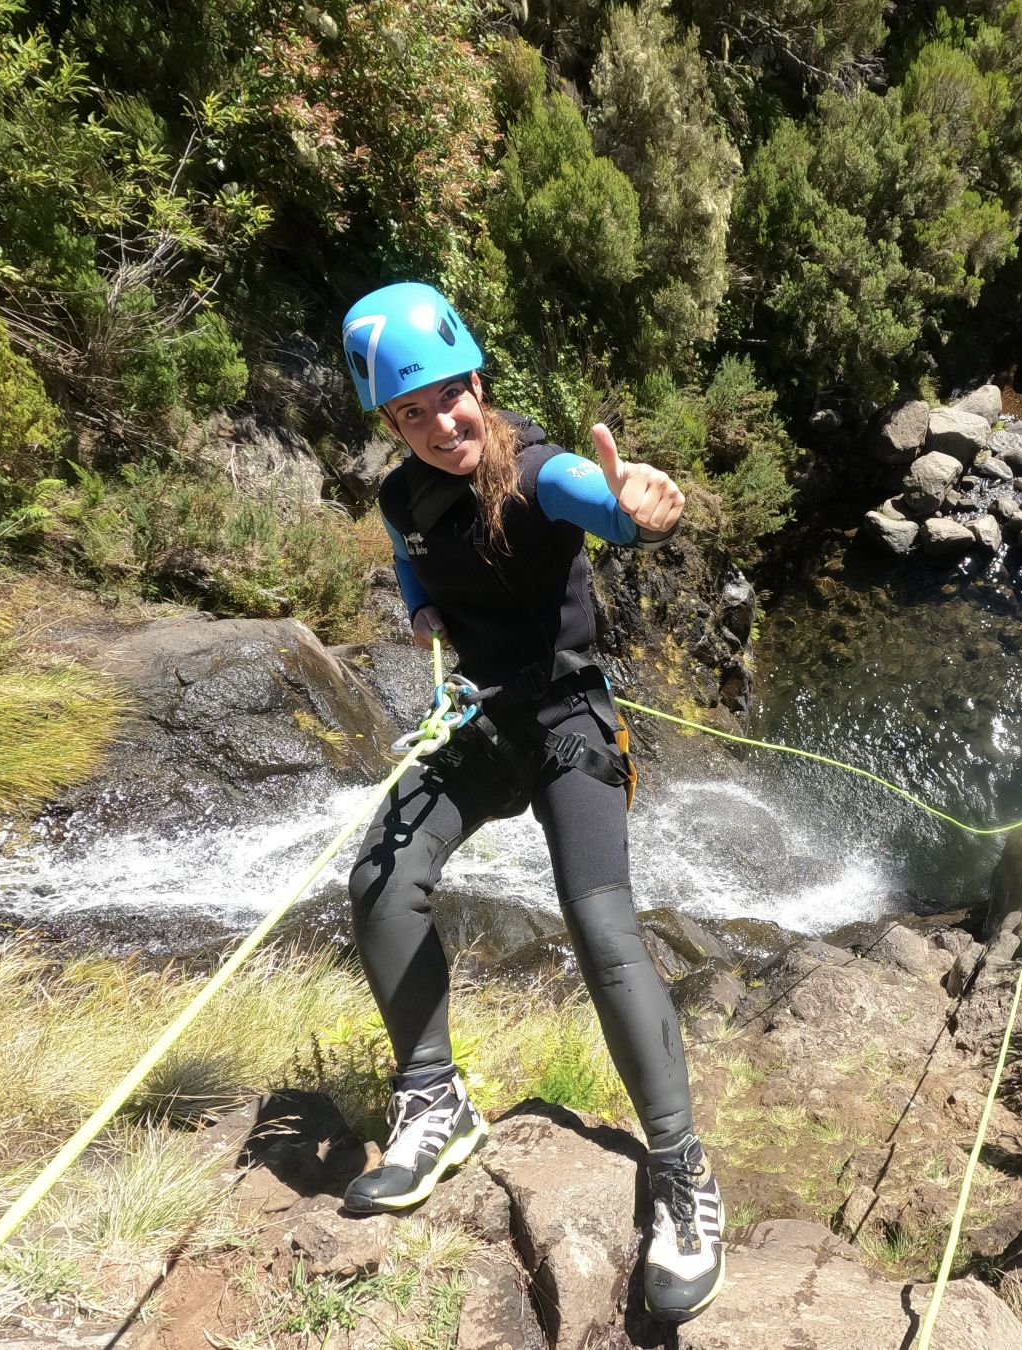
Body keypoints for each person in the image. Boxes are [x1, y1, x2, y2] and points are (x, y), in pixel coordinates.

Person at [338, 282, 724, 1323]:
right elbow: (419, 563)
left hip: (566, 724)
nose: (437, 426)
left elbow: (609, 509)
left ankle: (683, 1175)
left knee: (600, 924)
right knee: (382, 874)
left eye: (446, 398)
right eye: (407, 414)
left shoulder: (543, 472)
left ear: (478, 380)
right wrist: (421, 608)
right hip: (483, 721)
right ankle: (434, 1101)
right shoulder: (402, 496)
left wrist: (640, 505)